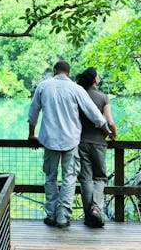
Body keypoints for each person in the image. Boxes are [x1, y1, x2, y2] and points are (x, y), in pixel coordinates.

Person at [27, 60, 111, 228]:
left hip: (49, 140)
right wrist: (106, 131)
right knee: (69, 179)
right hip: (71, 140)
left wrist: (31, 134)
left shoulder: (43, 86)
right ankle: (63, 218)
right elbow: (94, 114)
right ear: (69, 72)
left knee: (50, 178)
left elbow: (33, 111)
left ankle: (51, 215)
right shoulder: (76, 89)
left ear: (54, 70)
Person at [75, 67, 116, 228]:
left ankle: (88, 216)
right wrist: (113, 134)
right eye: (98, 76)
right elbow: (110, 122)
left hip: (80, 142)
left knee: (85, 178)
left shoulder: (78, 95)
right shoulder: (102, 97)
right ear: (94, 80)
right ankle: (96, 209)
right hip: (99, 142)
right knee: (99, 178)